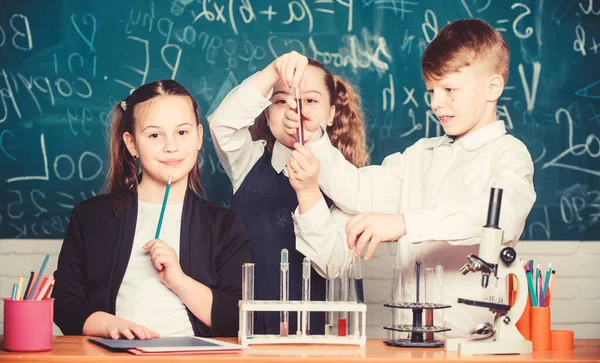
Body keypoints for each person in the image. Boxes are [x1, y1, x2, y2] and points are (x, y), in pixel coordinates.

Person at [288, 18, 536, 337]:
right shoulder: (421, 155)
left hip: (471, 342)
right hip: (410, 340)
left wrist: (405, 223)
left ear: (493, 88)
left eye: (449, 90)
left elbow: (499, 219)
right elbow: (358, 189)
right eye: (432, 90)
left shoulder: (508, 154)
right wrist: (316, 139)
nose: (436, 103)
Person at [52, 80, 251, 339]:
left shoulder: (224, 225)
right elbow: (63, 301)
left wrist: (178, 280)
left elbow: (239, 316)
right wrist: (110, 325)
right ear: (132, 143)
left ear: (199, 137)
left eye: (182, 132)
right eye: (155, 135)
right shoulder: (91, 217)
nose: (171, 146)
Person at [207, 51, 368, 334]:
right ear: (267, 113)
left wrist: (308, 192)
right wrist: (273, 71)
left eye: (310, 101)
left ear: (331, 114)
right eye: (281, 100)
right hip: (245, 331)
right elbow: (221, 124)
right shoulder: (248, 160)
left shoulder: (346, 183)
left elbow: (334, 267)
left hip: (315, 339)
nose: (297, 110)